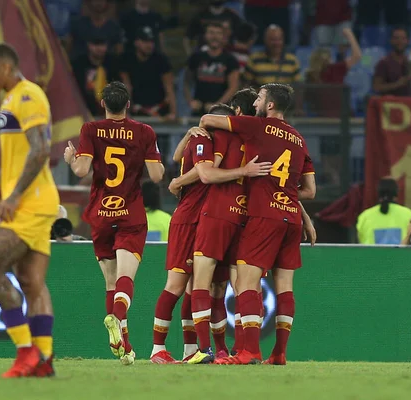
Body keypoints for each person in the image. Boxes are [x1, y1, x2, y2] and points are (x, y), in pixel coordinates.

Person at [199, 83, 317, 365]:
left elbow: (206, 118)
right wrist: (285, 193)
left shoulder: (257, 126)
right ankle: (279, 353)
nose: (255, 104)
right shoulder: (299, 140)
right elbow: (310, 190)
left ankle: (249, 351)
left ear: (271, 105)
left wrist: (200, 131)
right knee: (285, 287)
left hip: (264, 216)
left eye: (260, 99)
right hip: (291, 217)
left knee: (248, 283)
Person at [150, 101, 271, 364]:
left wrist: (178, 176)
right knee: (178, 285)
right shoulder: (204, 140)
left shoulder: (219, 142)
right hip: (189, 218)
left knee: (207, 288)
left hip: (211, 218)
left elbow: (179, 159)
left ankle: (200, 349)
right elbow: (202, 171)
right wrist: (179, 179)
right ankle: (158, 349)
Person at [63, 81, 165, 365]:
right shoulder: (144, 132)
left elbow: (82, 170)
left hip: (101, 213)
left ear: (103, 105)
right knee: (125, 279)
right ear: (128, 105)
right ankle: (117, 318)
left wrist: (72, 159)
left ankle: (126, 347)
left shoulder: (90, 130)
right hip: (130, 212)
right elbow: (156, 176)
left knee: (111, 283)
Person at [0, 43, 59, 378]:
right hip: (30, 199)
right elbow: (18, 158)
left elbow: (40, 151)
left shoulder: (28, 96)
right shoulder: (9, 100)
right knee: (31, 281)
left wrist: (13, 197)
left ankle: (25, 352)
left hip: (29, 202)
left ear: (7, 68)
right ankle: (44, 357)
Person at [357, 178, 411, 245]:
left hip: (371, 255)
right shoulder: (408, 214)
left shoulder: (365, 216)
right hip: (401, 255)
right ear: (396, 194)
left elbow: (361, 240)